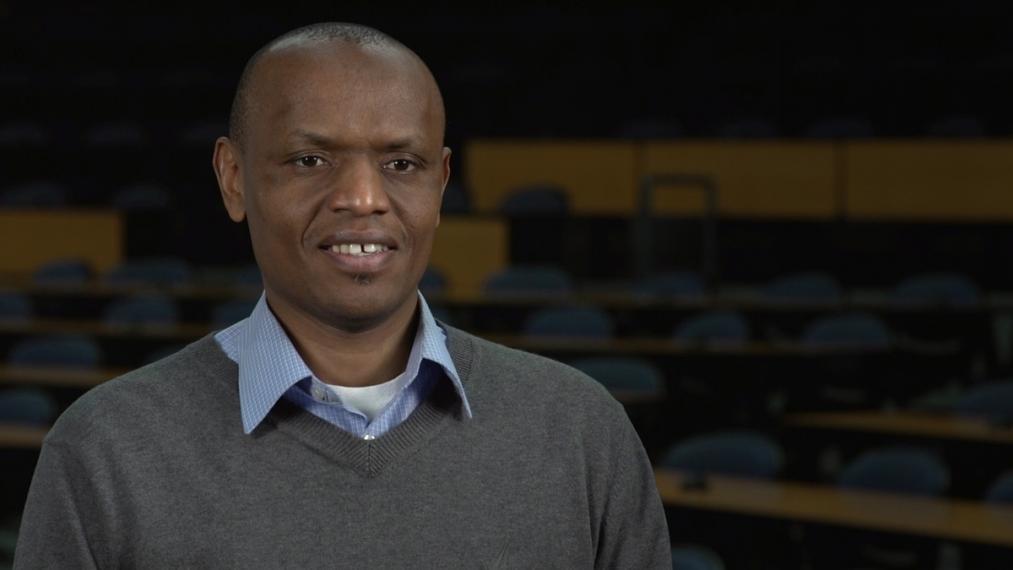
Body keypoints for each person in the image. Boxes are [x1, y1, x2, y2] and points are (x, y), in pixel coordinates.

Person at [14, 22, 670, 568]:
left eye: (400, 164)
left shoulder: (583, 433)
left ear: (439, 186)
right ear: (234, 179)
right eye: (310, 160)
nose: (362, 197)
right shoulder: (102, 451)